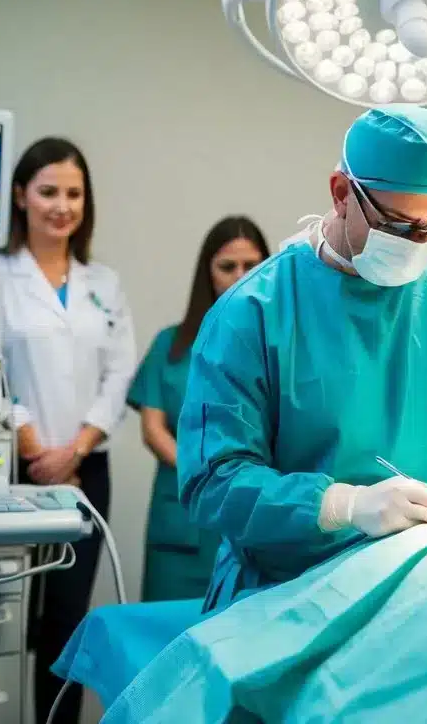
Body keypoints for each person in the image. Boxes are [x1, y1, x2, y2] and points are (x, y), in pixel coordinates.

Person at [179, 104, 427, 611]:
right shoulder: (254, 313)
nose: (418, 244)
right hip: (287, 597)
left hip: (426, 592)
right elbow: (212, 481)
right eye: (398, 225)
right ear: (341, 193)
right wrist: (341, 506)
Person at [0, 136, 137, 724]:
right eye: (48, 191)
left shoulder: (103, 283)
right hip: (9, 468)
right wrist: (30, 444)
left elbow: (120, 371)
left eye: (74, 194)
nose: (62, 205)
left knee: (66, 620)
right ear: (21, 196)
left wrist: (75, 449)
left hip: (84, 470)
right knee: (7, 611)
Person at [127, 216, 269, 602]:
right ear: (207, 273)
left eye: (251, 265)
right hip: (181, 521)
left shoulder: (276, 350)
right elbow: (153, 429)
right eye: (227, 266)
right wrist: (204, 470)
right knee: (164, 638)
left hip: (247, 519)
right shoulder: (170, 345)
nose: (240, 275)